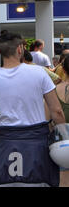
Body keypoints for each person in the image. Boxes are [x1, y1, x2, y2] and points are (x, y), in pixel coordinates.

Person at [0, 32, 66, 187]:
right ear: (20, 49)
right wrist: (64, 138)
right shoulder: (39, 73)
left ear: (0, 51)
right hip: (37, 145)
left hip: (6, 144)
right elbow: (56, 111)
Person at [46, 56, 69, 187]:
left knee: (63, 179)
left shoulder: (52, 91)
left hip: (61, 143)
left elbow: (47, 120)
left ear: (63, 70)